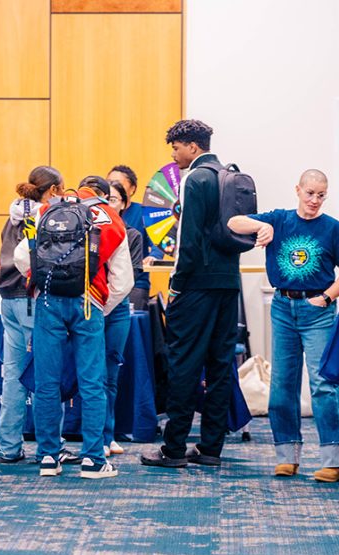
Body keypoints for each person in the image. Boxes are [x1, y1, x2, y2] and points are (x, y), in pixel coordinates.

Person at [227, 169, 339, 481]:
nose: (315, 200)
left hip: (318, 309)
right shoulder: (279, 219)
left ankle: (334, 461)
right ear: (298, 190)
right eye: (310, 193)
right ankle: (287, 456)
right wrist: (262, 225)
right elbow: (233, 223)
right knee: (282, 385)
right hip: (283, 307)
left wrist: (326, 297)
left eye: (321, 195)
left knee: (323, 384)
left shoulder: (334, 229)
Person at [14, 174, 133, 479]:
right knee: (93, 382)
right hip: (88, 303)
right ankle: (93, 459)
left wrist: (43, 284)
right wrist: (100, 305)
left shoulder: (47, 210)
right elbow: (124, 281)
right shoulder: (112, 218)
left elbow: (21, 257)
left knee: (47, 382)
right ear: (103, 194)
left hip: (48, 301)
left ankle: (48, 456)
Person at [141, 119, 239, 469]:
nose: (173, 154)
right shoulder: (230, 176)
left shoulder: (194, 179)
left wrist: (177, 285)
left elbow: (188, 241)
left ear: (193, 146)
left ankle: (174, 449)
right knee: (220, 366)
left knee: (183, 364)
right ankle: (211, 448)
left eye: (176, 147)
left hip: (196, 286)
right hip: (229, 283)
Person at [0, 167, 46, 464]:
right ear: (53, 190)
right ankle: (49, 446)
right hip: (31, 298)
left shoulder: (12, 215)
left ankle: (8, 446)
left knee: (13, 374)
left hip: (8, 299)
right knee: (44, 373)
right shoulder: (43, 217)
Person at [79, 176, 132, 458]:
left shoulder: (128, 232)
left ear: (123, 203)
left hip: (115, 306)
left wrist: (104, 306)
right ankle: (93, 437)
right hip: (90, 304)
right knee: (91, 376)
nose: (107, 204)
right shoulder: (81, 224)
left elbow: (127, 281)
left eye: (113, 199)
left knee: (110, 374)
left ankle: (107, 435)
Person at [107, 166, 153, 309]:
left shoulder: (143, 212)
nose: (112, 186)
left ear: (132, 189)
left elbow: (158, 241)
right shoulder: (98, 214)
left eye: (118, 183)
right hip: (105, 284)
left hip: (135, 284)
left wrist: (154, 256)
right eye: (108, 182)